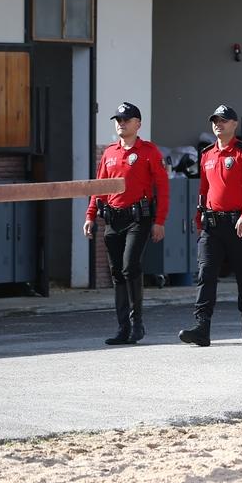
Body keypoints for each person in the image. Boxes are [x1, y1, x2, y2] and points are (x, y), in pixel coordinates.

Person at [83, 102, 170, 345]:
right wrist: (90, 216)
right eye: (118, 120)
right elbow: (99, 188)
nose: (121, 123)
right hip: (113, 219)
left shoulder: (149, 151)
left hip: (138, 219)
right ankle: (123, 328)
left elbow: (163, 189)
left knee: (130, 266)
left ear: (138, 124)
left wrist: (159, 221)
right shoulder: (109, 153)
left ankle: (137, 323)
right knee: (116, 273)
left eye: (126, 120)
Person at [178, 104, 242, 347]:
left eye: (223, 120)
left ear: (234, 124)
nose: (218, 124)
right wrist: (199, 215)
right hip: (212, 226)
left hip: (239, 224)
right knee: (206, 274)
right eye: (215, 120)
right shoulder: (207, 154)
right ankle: (202, 327)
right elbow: (204, 189)